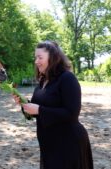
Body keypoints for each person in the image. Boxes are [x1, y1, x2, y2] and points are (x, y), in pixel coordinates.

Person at [14, 41, 93, 169]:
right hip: (49, 144)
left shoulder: (67, 78)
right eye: (35, 57)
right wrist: (24, 104)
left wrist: (39, 110)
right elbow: (35, 111)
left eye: (40, 57)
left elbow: (72, 113)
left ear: (53, 58)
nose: (36, 61)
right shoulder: (42, 81)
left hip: (68, 143)